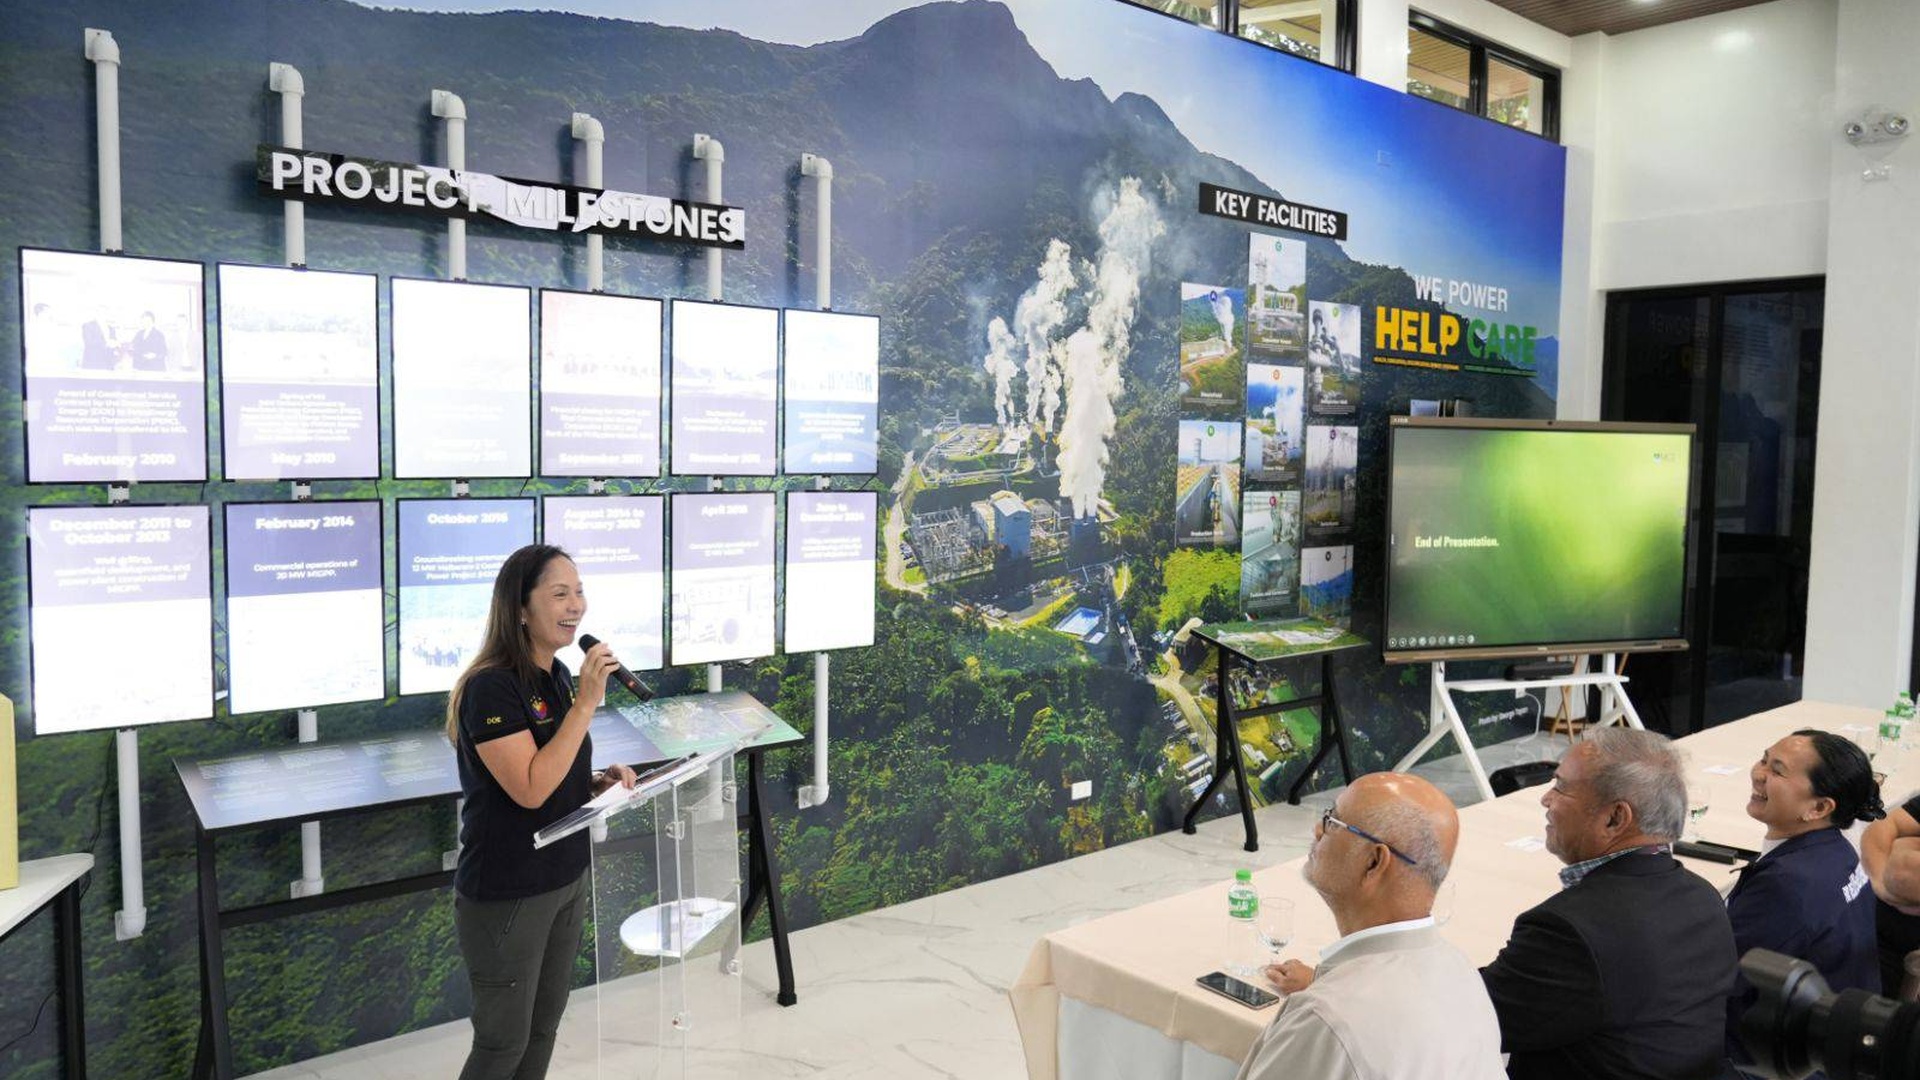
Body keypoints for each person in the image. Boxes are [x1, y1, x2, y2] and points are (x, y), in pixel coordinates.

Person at [445, 544, 638, 1080]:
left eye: (579, 592)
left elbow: (552, 772)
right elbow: (529, 789)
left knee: (542, 1031)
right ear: (521, 609)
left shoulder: (555, 674)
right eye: (559, 594)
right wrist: (587, 703)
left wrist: (594, 783)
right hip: (510, 892)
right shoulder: (491, 687)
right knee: (502, 1046)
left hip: (565, 877)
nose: (576, 605)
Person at [1481, 727, 1737, 1080]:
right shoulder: (1703, 896)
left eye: (1560, 787)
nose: (1545, 799)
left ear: (1615, 817)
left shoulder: (1568, 930)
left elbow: (1477, 1018)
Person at [1236, 773, 1504, 1080]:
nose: (1317, 830)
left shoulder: (1325, 1021)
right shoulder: (1462, 972)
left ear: (1374, 862)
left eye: (1332, 822)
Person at [1725, 731, 1882, 1069]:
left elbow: (1720, 977)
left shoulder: (1786, 885)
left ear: (1819, 808)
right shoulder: (1838, 850)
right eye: (1764, 759)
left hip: (1782, 1058)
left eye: (1777, 770)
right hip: (1839, 1040)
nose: (1758, 773)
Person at [1861, 773, 1920, 994]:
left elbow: (1905, 871)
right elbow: (1884, 827)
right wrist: (1881, 884)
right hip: (1874, 931)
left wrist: (1902, 847)